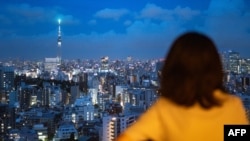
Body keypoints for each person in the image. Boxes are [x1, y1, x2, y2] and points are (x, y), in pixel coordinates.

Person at [117, 32, 249, 141]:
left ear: (173, 70)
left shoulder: (167, 109)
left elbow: (127, 138)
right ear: (215, 68)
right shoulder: (231, 106)